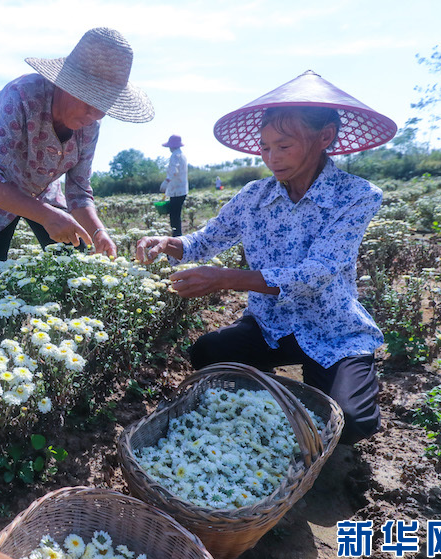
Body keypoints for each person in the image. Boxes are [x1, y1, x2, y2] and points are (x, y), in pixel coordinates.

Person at [136, 71, 398, 444]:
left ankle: (311, 398)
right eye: (264, 147)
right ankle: (278, 403)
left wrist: (226, 277)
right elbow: (206, 240)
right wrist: (169, 243)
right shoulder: (254, 196)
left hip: (333, 329)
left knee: (350, 421)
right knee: (208, 353)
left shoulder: (356, 195)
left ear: (325, 138)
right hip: (271, 325)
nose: (271, 158)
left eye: (284, 146)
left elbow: (315, 275)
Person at [0, 27, 154, 274]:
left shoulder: (90, 125)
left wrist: (99, 232)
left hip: (43, 187)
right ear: (65, 85)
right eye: (90, 102)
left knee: (73, 264)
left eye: (104, 106)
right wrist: (46, 216)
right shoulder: (20, 97)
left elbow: (79, 189)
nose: (95, 115)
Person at [159, 135, 188, 236]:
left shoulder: (175, 155)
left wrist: (166, 181)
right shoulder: (182, 155)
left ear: (172, 146)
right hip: (182, 190)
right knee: (176, 215)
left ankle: (176, 239)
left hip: (176, 191)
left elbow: (173, 171)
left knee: (174, 217)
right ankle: (177, 237)